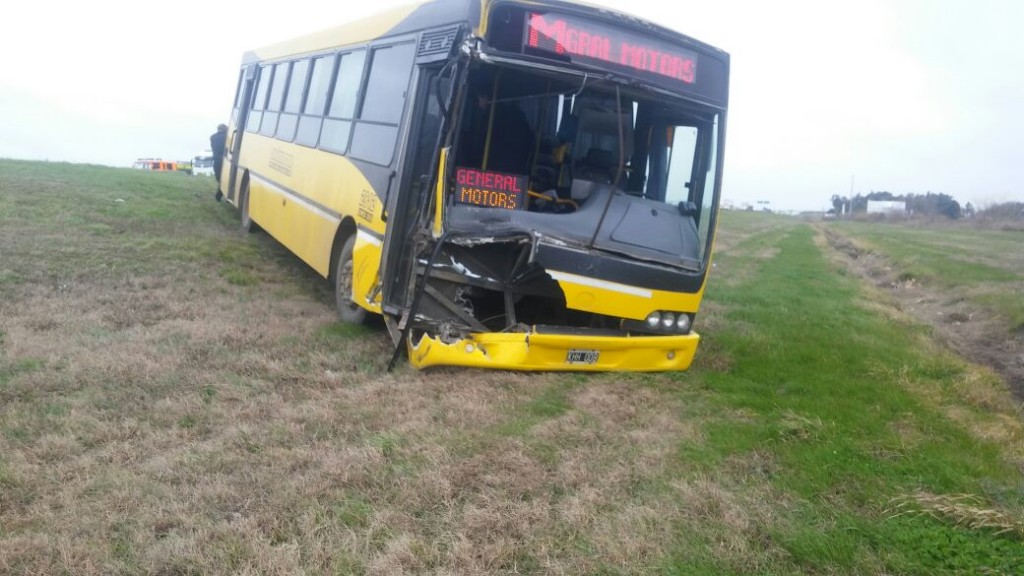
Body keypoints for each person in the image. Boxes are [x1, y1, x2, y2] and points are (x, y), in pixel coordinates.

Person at [210, 124, 228, 201]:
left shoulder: (212, 137)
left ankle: (219, 195)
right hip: (225, 161)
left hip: (216, 160)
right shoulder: (227, 138)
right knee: (224, 179)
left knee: (219, 178)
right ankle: (219, 195)